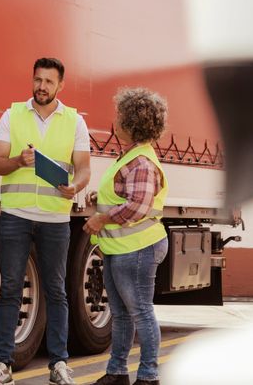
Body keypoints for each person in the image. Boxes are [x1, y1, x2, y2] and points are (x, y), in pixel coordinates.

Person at [0, 57, 91, 385]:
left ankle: (59, 364)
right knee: (10, 290)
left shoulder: (74, 122)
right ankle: (3, 365)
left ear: (61, 85)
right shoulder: (12, 115)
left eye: (48, 81)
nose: (41, 86)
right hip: (16, 215)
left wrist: (76, 186)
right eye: (37, 80)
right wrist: (18, 160)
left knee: (56, 291)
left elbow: (84, 168)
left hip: (55, 218)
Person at [83, 88, 170, 385]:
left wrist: (101, 218)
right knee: (121, 314)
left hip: (137, 248)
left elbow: (138, 206)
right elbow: (125, 195)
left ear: (132, 123)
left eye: (120, 115)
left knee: (141, 312)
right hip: (121, 247)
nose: (115, 120)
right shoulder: (131, 156)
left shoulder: (141, 161)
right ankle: (117, 372)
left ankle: (148, 376)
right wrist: (101, 199)